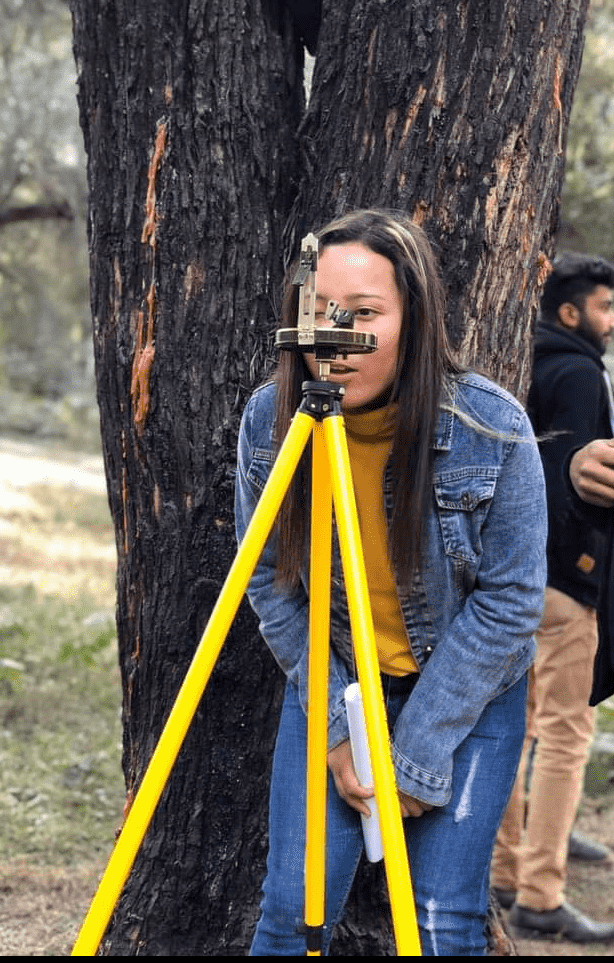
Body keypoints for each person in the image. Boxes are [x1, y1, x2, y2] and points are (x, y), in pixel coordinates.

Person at [234, 208, 548, 956]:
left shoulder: (489, 424)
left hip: (466, 692)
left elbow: (510, 603)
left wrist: (411, 752)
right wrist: (341, 736)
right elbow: (270, 587)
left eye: (365, 313)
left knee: (441, 923)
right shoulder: (271, 421)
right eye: (320, 313)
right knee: (292, 913)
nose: (335, 337)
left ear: (414, 316)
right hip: (337, 677)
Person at [491, 253, 614, 943]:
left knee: (516, 729)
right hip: (563, 580)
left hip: (515, 579)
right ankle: (540, 890)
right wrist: (584, 569)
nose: (610, 319)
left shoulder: (526, 359)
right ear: (569, 313)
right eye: (602, 306)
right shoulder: (575, 372)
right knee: (565, 736)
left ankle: (508, 873)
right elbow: (573, 476)